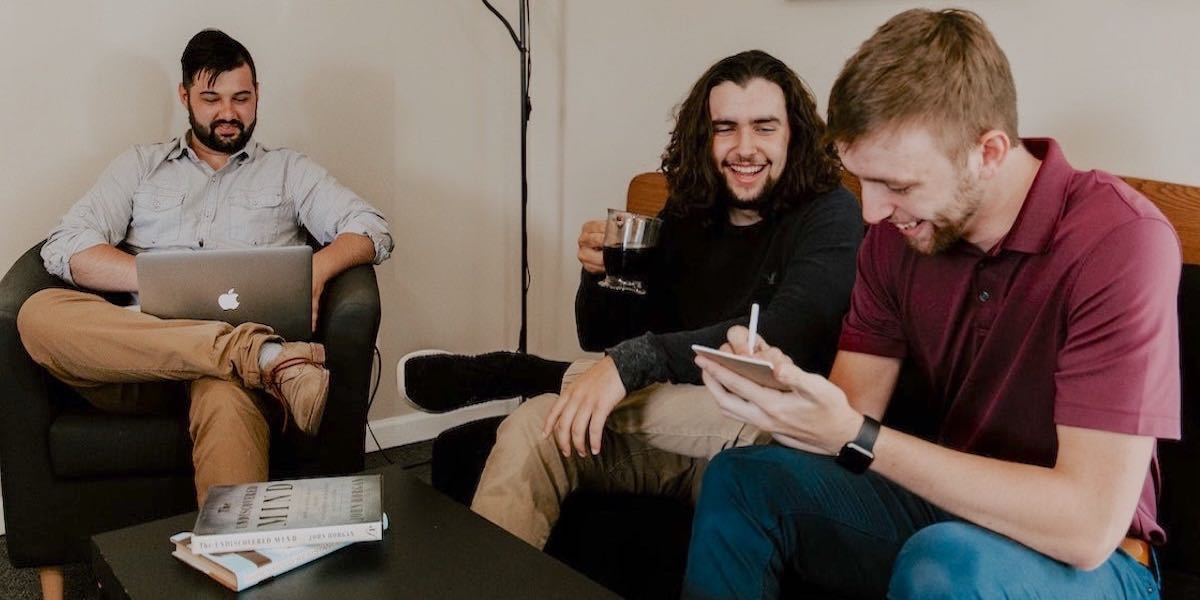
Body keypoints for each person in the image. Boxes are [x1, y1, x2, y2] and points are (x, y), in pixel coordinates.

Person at [684, 9, 1178, 599]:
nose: (870, 212)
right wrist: (785, 393)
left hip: (1098, 563)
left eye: (898, 185)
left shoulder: (1119, 239)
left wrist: (859, 435)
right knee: (742, 482)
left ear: (989, 152)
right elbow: (846, 418)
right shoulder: (894, 239)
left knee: (944, 561)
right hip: (948, 515)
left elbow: (1086, 526)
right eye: (861, 180)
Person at [400, 50, 863, 549]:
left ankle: (530, 372)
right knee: (533, 425)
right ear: (704, 137)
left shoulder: (832, 215)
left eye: (764, 127)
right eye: (725, 127)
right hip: (672, 429)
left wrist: (629, 365)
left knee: (745, 413)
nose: (744, 147)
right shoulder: (690, 210)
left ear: (793, 133)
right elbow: (604, 338)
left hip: (765, 434)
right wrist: (599, 276)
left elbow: (786, 330)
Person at [16, 29, 392, 600]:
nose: (228, 113)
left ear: (258, 96)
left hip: (227, 382)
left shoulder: (288, 171)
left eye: (240, 98)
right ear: (185, 95)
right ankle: (260, 355)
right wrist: (147, 277)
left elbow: (372, 229)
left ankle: (237, 572)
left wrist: (317, 270)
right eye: (212, 98)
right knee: (38, 312)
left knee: (223, 389)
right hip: (137, 363)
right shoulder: (140, 167)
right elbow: (66, 246)